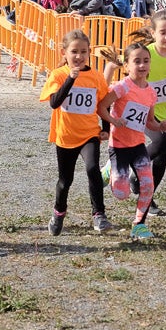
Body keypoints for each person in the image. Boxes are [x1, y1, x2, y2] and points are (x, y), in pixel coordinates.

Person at [39, 29, 113, 236]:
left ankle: (99, 215)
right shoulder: (58, 75)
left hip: (89, 133)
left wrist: (106, 129)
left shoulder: (96, 77)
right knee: (65, 180)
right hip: (66, 135)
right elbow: (54, 103)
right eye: (74, 52)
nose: (79, 56)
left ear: (89, 52)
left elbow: (104, 105)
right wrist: (70, 79)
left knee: (92, 170)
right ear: (64, 53)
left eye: (83, 51)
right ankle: (59, 212)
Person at [98, 42, 166, 240]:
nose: (141, 65)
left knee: (148, 184)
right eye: (136, 61)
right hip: (119, 145)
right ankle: (108, 172)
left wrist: (160, 126)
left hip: (137, 145)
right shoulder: (122, 87)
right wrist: (113, 121)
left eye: (146, 61)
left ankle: (139, 225)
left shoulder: (151, 92)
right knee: (121, 194)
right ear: (127, 65)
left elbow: (149, 122)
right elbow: (101, 107)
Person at [123, 12, 166, 216]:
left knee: (162, 158)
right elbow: (131, 79)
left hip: (165, 113)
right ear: (153, 33)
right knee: (162, 143)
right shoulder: (147, 54)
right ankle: (128, 160)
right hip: (141, 110)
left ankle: (147, 197)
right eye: (163, 32)